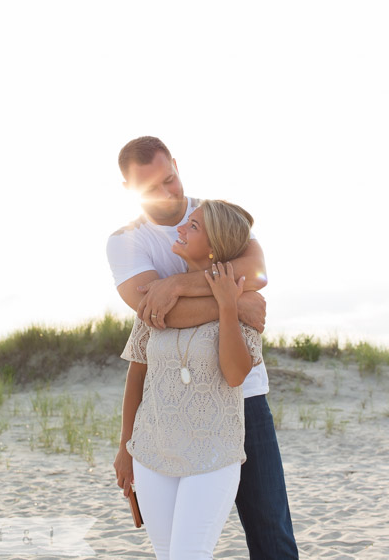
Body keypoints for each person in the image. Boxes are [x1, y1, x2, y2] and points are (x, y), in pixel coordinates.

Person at [107, 136, 299, 559]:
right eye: (151, 187)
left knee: (270, 530)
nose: (168, 193)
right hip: (169, 411)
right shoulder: (127, 241)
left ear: (176, 165)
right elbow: (157, 316)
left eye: (170, 179)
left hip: (240, 399)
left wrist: (174, 284)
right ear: (130, 189)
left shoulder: (214, 216)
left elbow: (258, 272)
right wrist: (233, 299)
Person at [119, 200, 264, 559]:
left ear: (214, 246)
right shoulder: (159, 295)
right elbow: (136, 373)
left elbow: (235, 375)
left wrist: (228, 306)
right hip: (152, 450)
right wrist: (125, 446)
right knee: (167, 555)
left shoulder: (245, 304)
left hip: (213, 451)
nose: (181, 228)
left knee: (189, 554)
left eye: (193, 226)